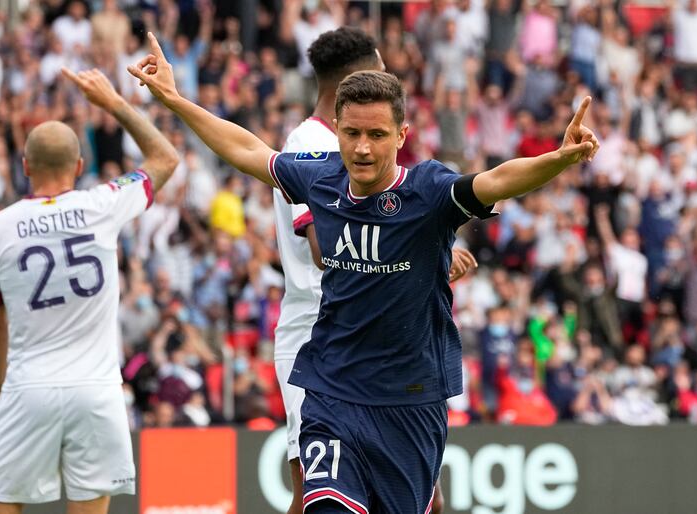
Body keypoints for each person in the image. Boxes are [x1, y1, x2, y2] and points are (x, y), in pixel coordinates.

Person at [128, 32, 598, 514]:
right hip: (332, 390)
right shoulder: (320, 176)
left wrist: (557, 159)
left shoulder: (429, 192)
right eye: (352, 134)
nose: (363, 149)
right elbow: (247, 150)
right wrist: (176, 99)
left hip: (410, 400)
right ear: (337, 129)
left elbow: (497, 180)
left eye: (377, 135)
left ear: (402, 135)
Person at [272, 26, 476, 514]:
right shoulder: (311, 143)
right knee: (314, 489)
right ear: (361, 77)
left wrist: (425, 260)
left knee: (428, 495)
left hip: (378, 339)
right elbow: (331, 247)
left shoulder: (350, 141)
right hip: (323, 333)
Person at [0, 68, 178, 514]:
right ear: (80, 166)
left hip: (28, 387)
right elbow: (165, 158)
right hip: (98, 391)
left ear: (25, 166)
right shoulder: (101, 203)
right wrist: (115, 104)